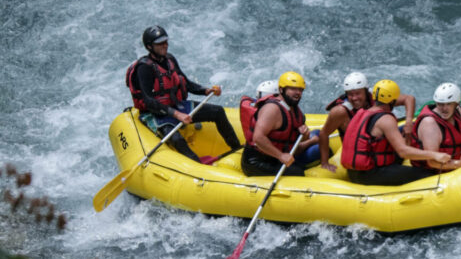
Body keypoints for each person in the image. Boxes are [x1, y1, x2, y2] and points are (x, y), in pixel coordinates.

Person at [126, 25, 241, 163]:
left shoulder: (169, 59)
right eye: (160, 43)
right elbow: (149, 101)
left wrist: (205, 90)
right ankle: (197, 166)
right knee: (176, 138)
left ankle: (237, 150)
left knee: (218, 112)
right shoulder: (144, 68)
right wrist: (176, 114)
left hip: (175, 105)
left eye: (166, 42)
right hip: (156, 113)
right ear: (149, 47)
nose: (165, 45)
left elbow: (184, 82)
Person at [341, 79, 450, 185]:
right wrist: (434, 155)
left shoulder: (364, 112)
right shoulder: (386, 119)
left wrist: (408, 122)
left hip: (354, 173)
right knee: (427, 175)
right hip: (369, 175)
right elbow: (403, 152)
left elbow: (409, 99)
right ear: (393, 100)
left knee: (401, 135)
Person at [319, 72, 417, 172]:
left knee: (414, 126)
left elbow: (409, 99)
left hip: (381, 148)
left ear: (366, 91)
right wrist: (325, 163)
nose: (354, 98)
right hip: (363, 160)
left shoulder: (375, 98)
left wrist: (408, 121)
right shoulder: (340, 111)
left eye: (358, 93)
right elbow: (323, 134)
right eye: (350, 94)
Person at [241, 71, 318, 177]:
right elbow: (258, 138)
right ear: (281, 90)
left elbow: (294, 138)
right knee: (297, 172)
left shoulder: (293, 107)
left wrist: (304, 134)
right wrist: (281, 156)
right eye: (292, 89)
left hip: (276, 157)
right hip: (256, 162)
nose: (297, 93)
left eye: (300, 89)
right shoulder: (272, 109)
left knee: (317, 141)